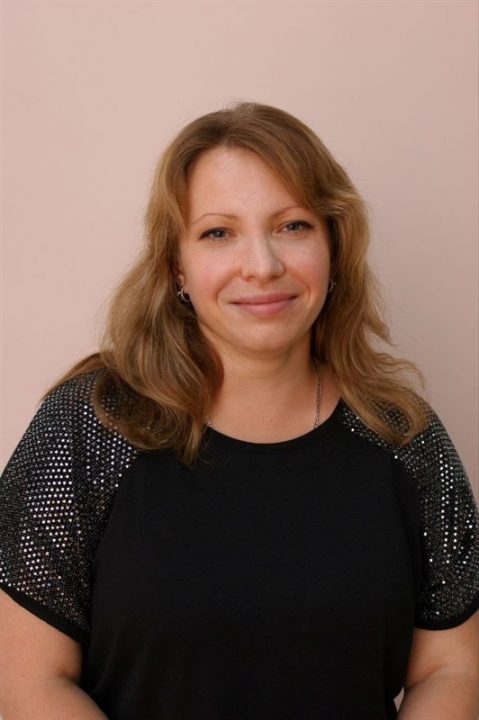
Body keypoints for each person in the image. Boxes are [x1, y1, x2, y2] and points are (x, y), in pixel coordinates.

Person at [0, 101, 477, 720]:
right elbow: (27, 680)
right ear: (177, 265)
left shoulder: (403, 435)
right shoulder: (92, 425)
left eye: (293, 225)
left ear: (334, 245)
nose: (262, 266)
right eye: (218, 233)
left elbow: (450, 667)